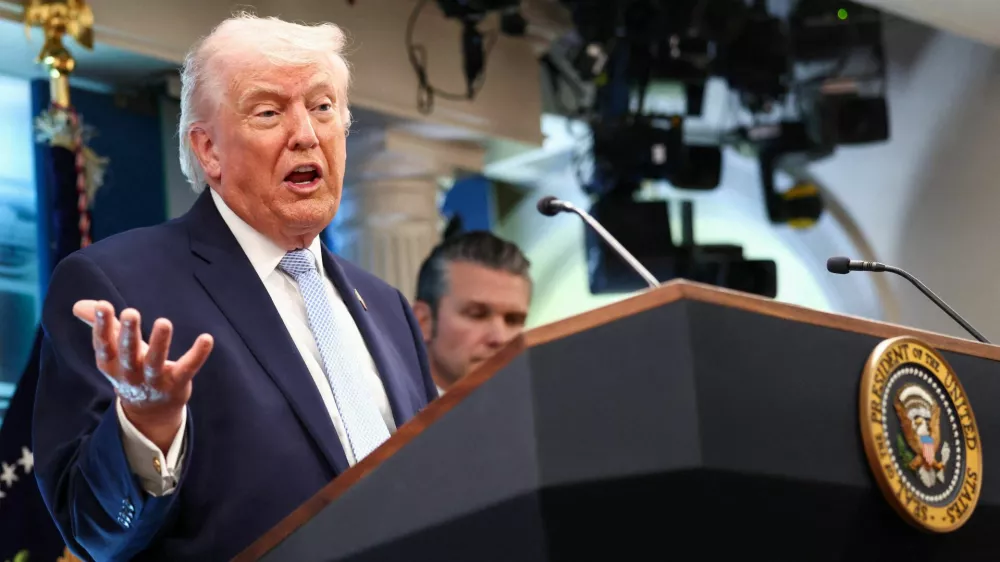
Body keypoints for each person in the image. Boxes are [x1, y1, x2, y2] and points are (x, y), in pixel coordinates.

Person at [33, 13, 437, 561]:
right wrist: (146, 428)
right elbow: (91, 530)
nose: (306, 134)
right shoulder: (117, 284)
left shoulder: (387, 307)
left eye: (322, 108)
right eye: (269, 112)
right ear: (209, 151)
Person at [412, 231, 532, 395]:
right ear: (423, 321)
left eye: (513, 320)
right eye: (477, 314)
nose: (500, 338)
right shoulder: (387, 408)